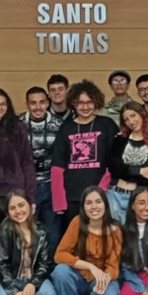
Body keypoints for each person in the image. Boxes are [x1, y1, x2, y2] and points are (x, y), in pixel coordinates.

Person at [52, 186, 123, 295]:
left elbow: (114, 265)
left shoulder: (116, 229)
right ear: (83, 206)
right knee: (60, 272)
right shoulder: (77, 222)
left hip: (101, 277)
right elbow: (59, 255)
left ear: (105, 204)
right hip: (79, 275)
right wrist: (89, 266)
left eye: (98, 202)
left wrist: (105, 278)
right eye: (89, 203)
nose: (94, 207)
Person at [51, 80, 118, 228]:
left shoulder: (107, 124)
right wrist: (59, 203)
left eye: (89, 102)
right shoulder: (66, 127)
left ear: (96, 102)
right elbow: (57, 165)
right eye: (80, 103)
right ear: (73, 103)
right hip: (72, 197)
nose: (85, 107)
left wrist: (102, 188)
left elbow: (114, 160)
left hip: (101, 195)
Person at [0, 88, 36, 249]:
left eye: (3, 104)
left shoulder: (17, 128)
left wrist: (30, 197)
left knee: (19, 240)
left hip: (16, 193)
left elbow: (27, 163)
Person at [20, 87, 64, 257]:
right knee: (26, 233)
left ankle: (51, 272)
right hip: (26, 187)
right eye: (33, 103)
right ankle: (28, 270)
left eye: (41, 102)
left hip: (51, 186)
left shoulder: (59, 125)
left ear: (47, 102)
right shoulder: (18, 125)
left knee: (53, 234)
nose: (38, 107)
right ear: (27, 104)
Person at [107, 101, 148, 224]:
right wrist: (140, 170)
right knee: (115, 238)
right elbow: (114, 167)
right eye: (126, 119)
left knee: (136, 238)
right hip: (115, 194)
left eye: (133, 116)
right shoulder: (120, 139)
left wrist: (126, 170)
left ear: (141, 114)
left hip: (138, 199)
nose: (131, 122)